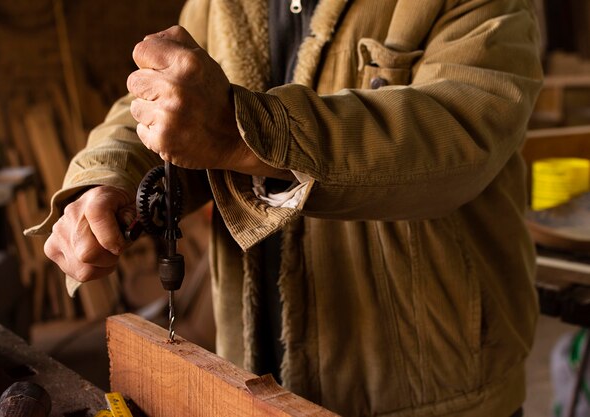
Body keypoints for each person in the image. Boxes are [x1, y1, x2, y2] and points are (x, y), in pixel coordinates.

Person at [28, 0, 543, 415]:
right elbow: (168, 100)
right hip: (251, 382)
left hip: (432, 386)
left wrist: (246, 130)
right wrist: (105, 179)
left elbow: (461, 132)